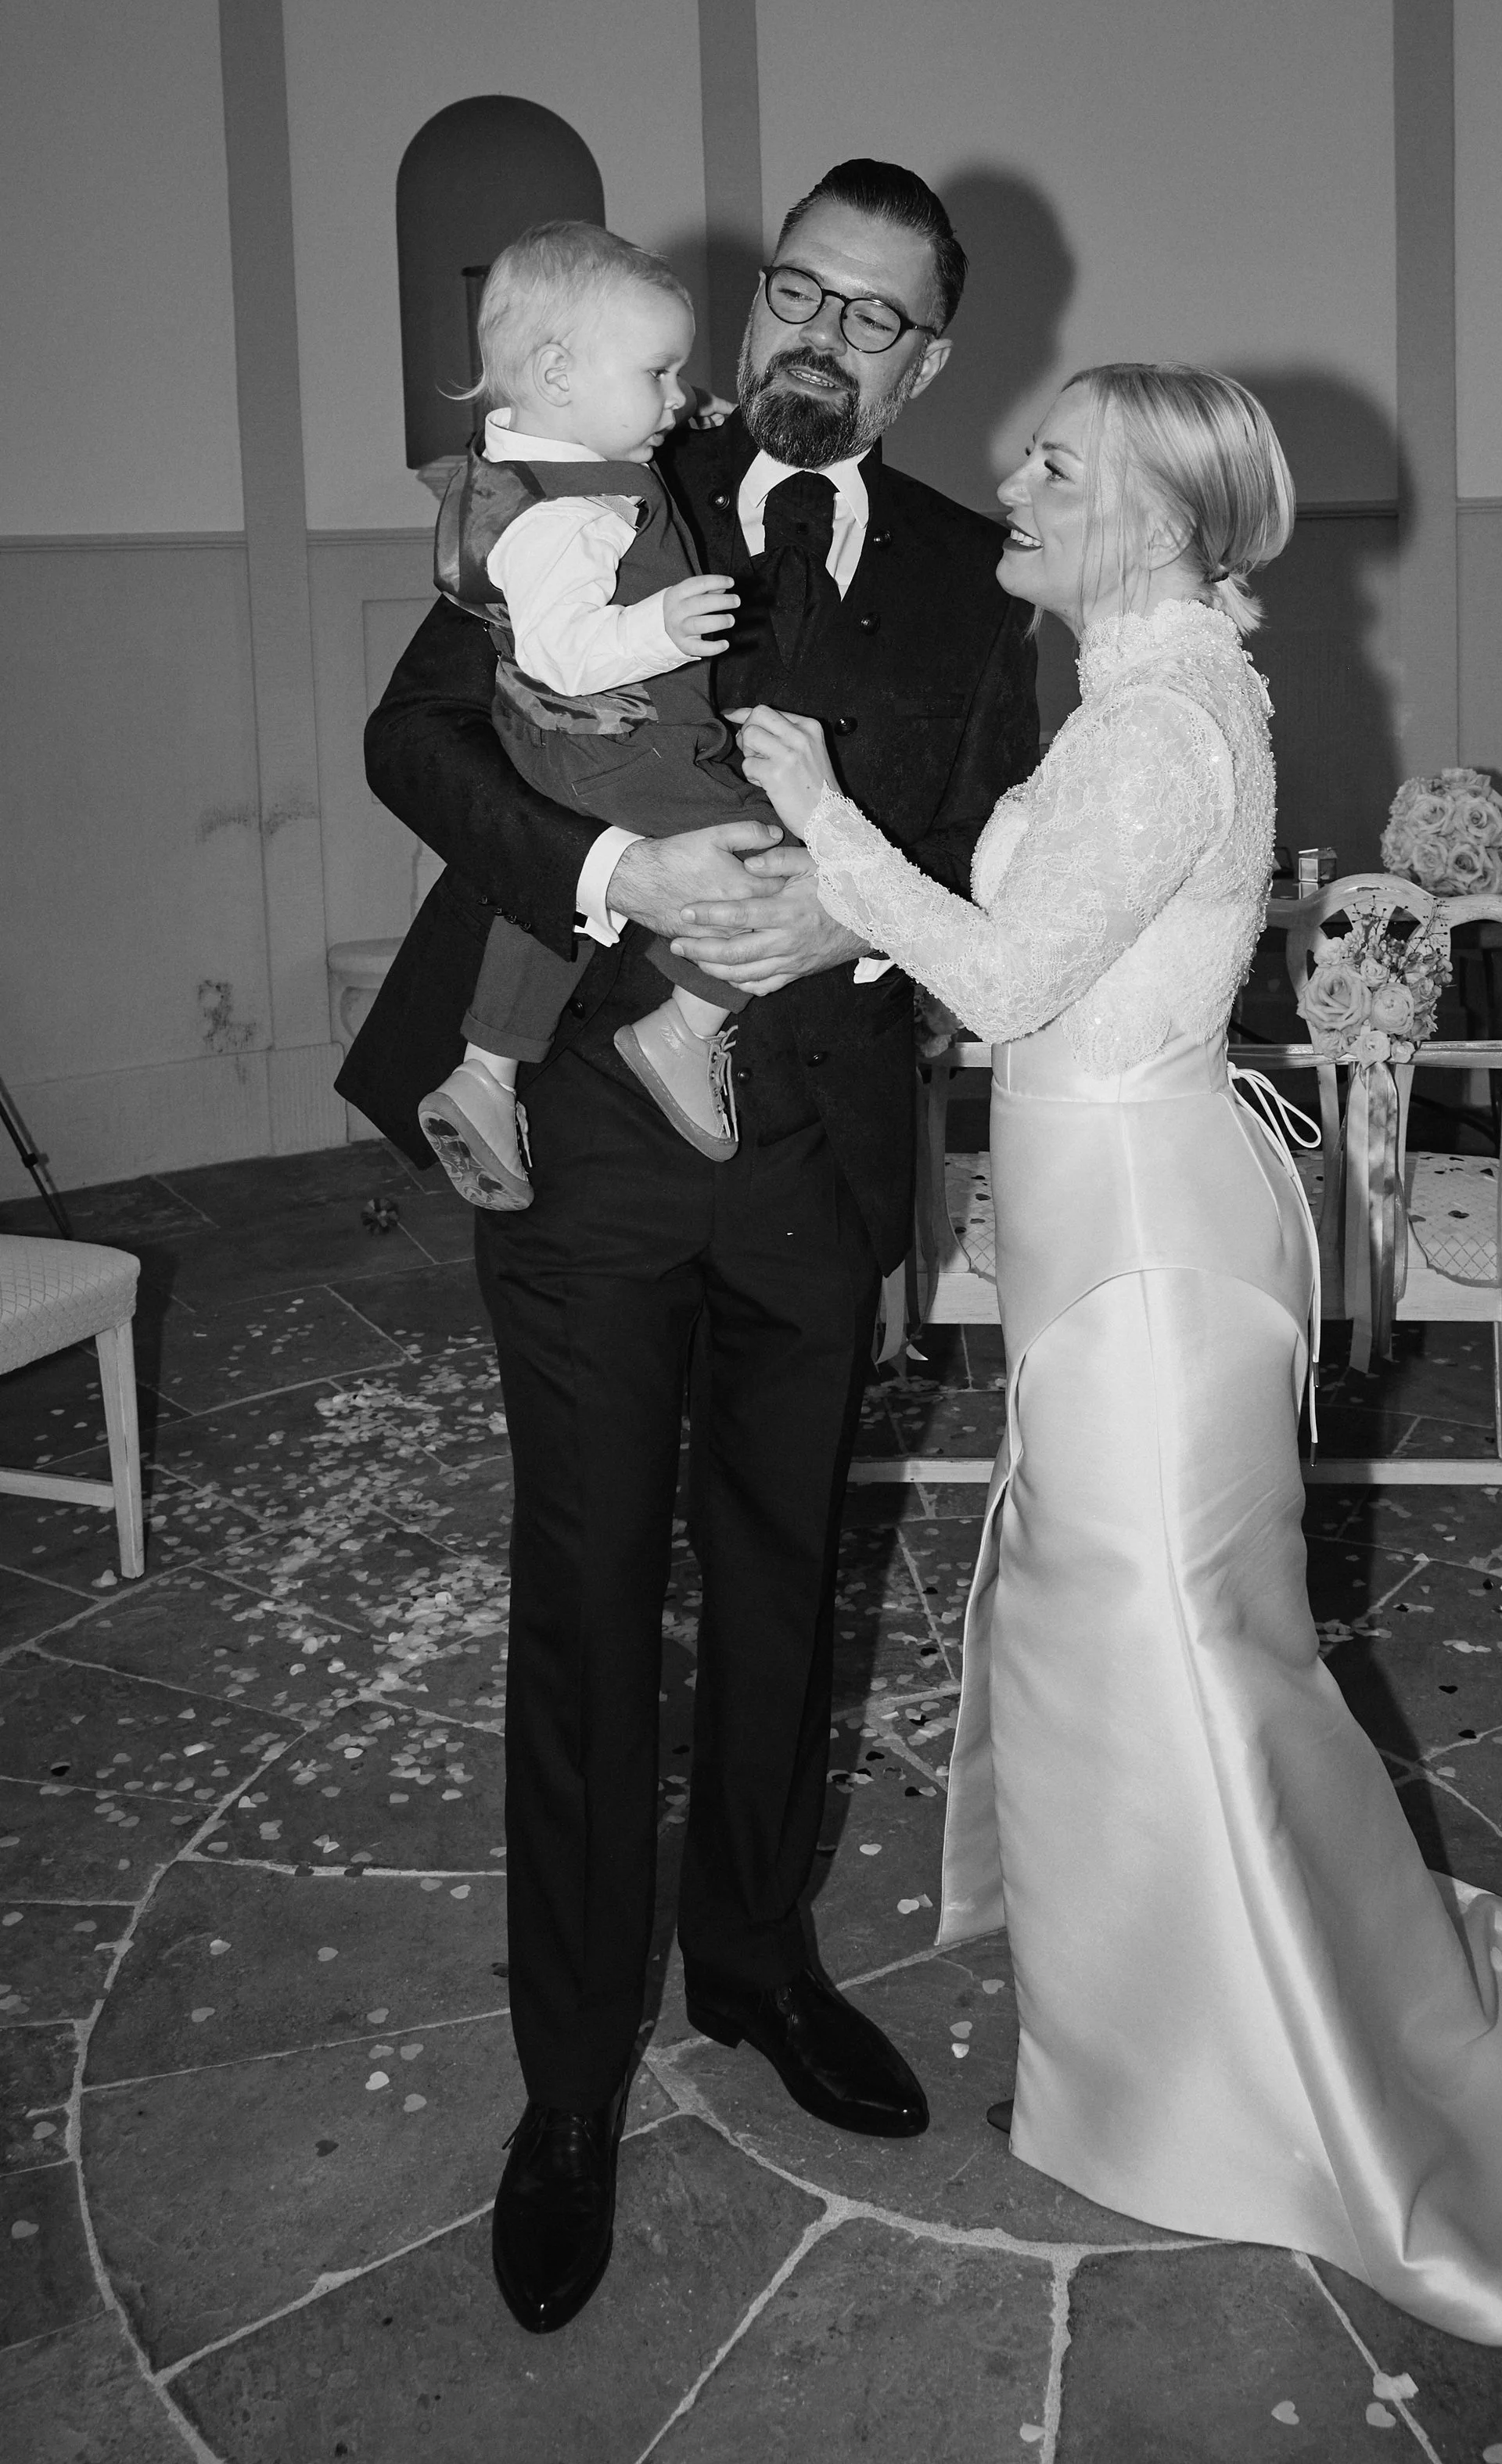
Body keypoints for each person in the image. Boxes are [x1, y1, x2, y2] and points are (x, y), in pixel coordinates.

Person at [735, 363, 1502, 2347]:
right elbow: (1050, 938)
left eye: (1052, 464)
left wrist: (815, 815)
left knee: (1156, 1659)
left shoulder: (1152, 724)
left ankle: (1246, 2096)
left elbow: (1007, 977)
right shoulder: (1152, 699)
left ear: (1147, 518)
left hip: (1140, 1271)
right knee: (1159, 1656)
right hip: (1119, 1242)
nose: (1008, 484)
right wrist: (859, 904)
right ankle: (1166, 2045)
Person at [335, 161, 1040, 2334]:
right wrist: (618, 875)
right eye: (798, 294)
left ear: (927, 357)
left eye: (878, 315)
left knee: (776, 1577)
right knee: (583, 1597)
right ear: (749, 316)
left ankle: (746, 1959)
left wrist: (854, 904)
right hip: (592, 1149)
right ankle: (566, 2086)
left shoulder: (964, 574)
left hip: (820, 1151)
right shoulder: (593, 464)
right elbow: (416, 739)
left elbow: (1000, 838)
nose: (824, 335)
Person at [418, 220, 778, 1198]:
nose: (680, 396)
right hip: (622, 744)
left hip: (561, 753)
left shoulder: (550, 467)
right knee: (775, 866)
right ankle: (682, 1029)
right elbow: (562, 651)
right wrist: (661, 626)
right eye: (659, 374)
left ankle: (486, 1076)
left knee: (550, 910)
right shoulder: (567, 511)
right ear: (560, 373)